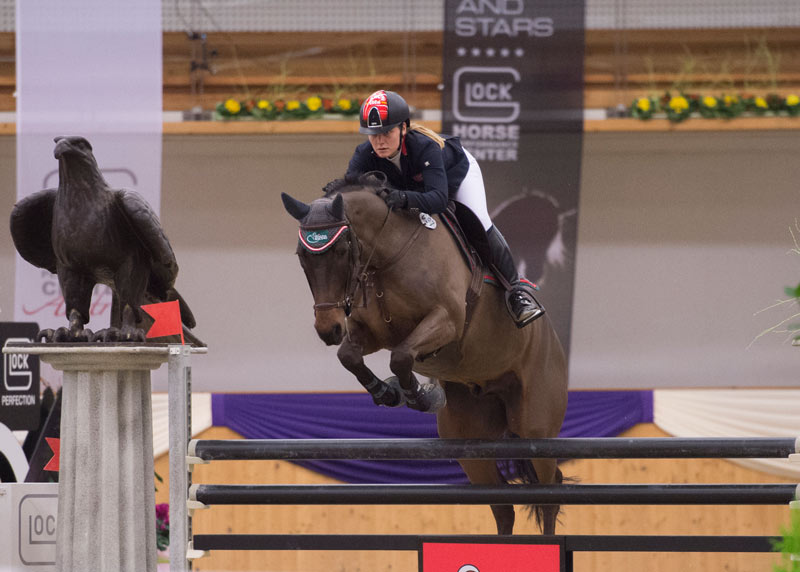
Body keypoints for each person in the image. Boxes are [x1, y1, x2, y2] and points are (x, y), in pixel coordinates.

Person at [345, 89, 544, 328]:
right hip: (416, 187)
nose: (379, 141)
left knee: (478, 221)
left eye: (386, 132)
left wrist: (404, 198)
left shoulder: (424, 147)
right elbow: (350, 194)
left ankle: (516, 292)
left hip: (456, 175)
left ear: (403, 128)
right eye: (373, 134)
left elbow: (439, 199)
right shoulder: (364, 154)